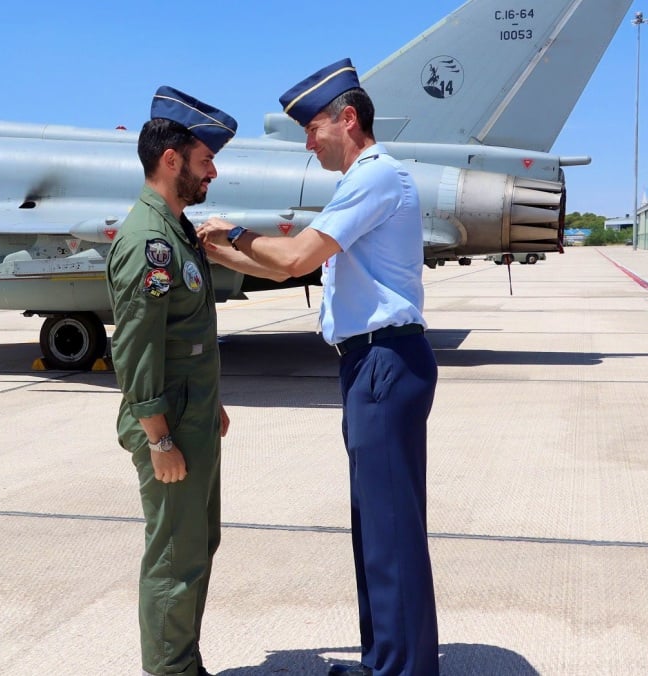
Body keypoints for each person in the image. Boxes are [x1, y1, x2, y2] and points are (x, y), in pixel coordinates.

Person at [197, 59, 439, 676]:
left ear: (348, 119)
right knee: (376, 529)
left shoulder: (375, 177)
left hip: (384, 362)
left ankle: (401, 670)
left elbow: (298, 253)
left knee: (389, 532)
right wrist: (225, 250)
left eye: (312, 128)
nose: (306, 141)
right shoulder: (363, 183)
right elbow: (288, 267)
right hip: (372, 365)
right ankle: (386, 659)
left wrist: (239, 231)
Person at [105, 86, 237, 676]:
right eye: (206, 160)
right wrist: (158, 437)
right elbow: (134, 349)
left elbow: (187, 338)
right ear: (172, 160)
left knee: (195, 547)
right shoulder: (148, 244)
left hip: (193, 416)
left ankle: (182, 663)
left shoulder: (177, 233)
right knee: (174, 559)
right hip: (170, 427)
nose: (213, 171)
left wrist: (214, 405)